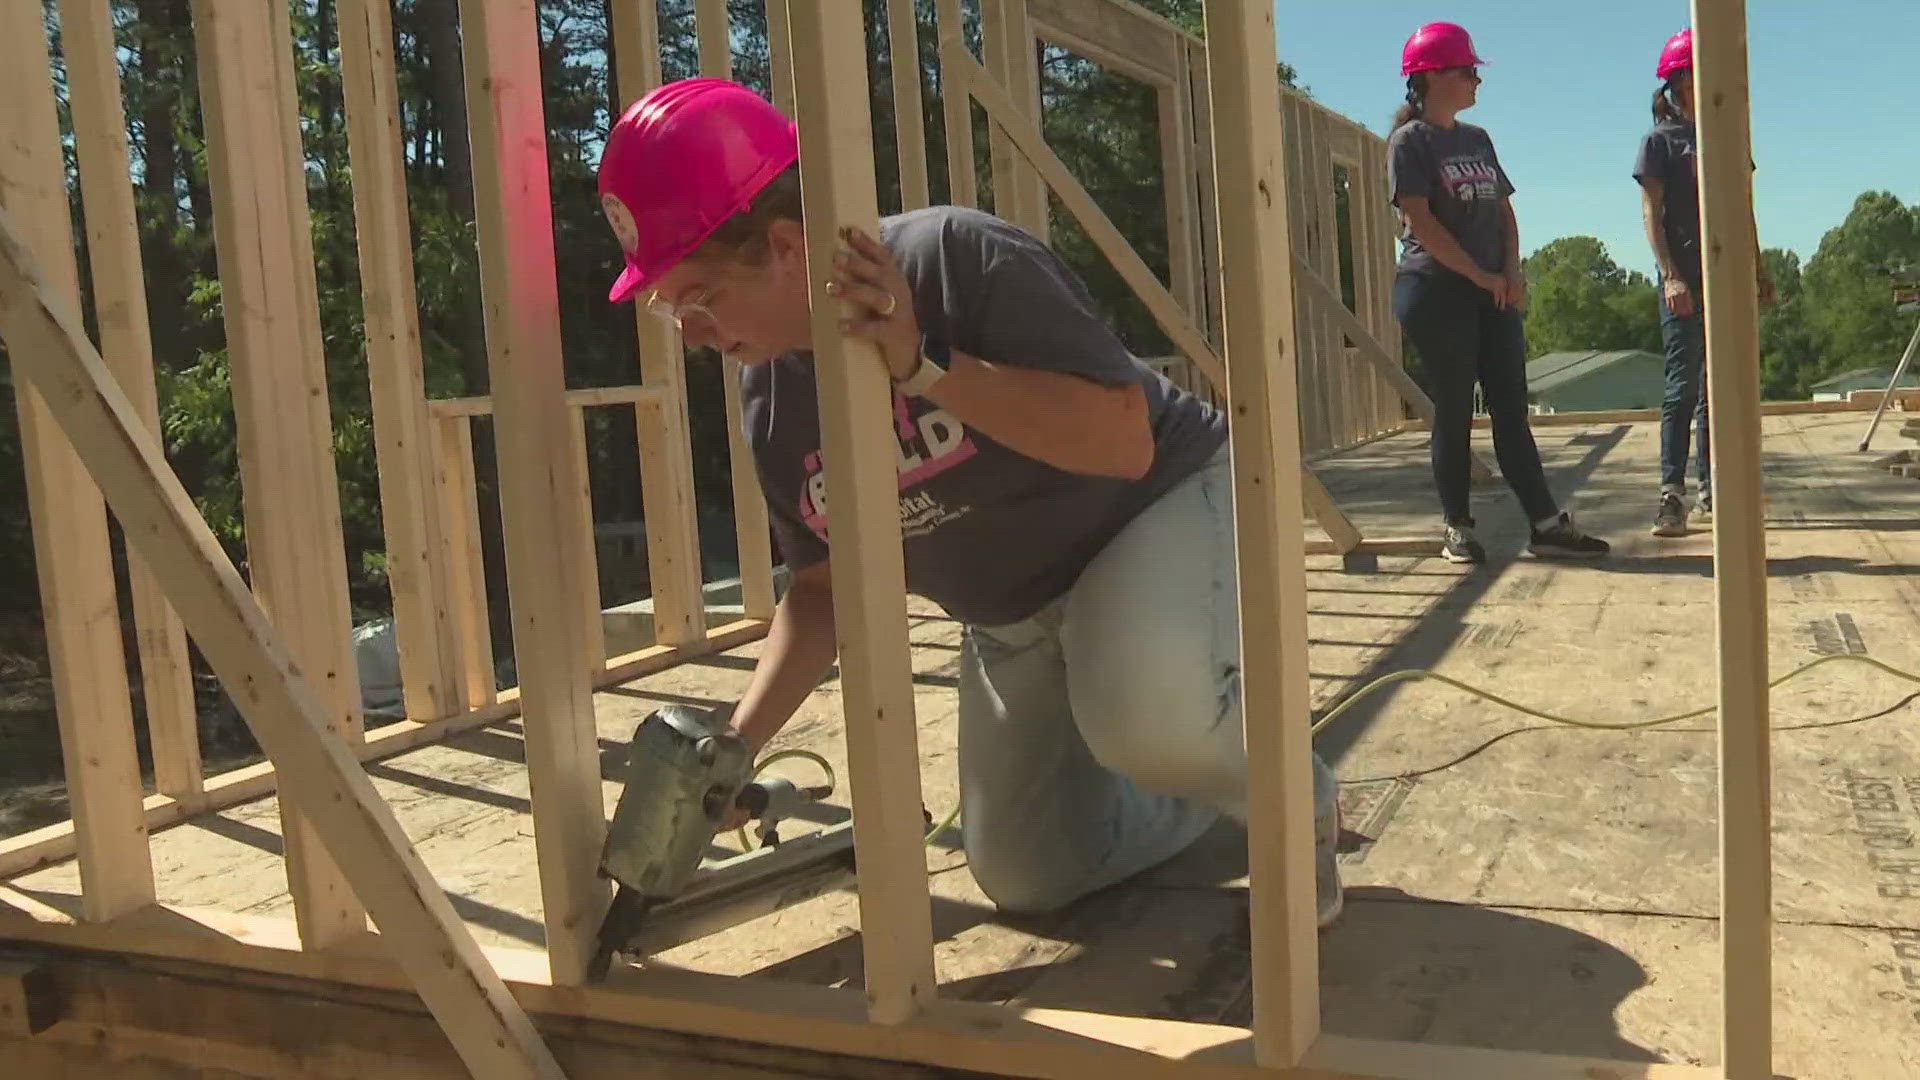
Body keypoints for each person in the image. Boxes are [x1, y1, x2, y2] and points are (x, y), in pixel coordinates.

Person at [594, 77, 1344, 925]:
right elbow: (821, 588)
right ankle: (1200, 787)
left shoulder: (952, 259)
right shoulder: (770, 402)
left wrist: (925, 366)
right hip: (1013, 614)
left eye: (698, 297)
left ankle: (1291, 800)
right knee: (1028, 870)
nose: (690, 331)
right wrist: (731, 750)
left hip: (1152, 511)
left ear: (780, 245)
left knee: (1145, 718)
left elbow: (1125, 442)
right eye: (667, 308)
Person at [1386, 22, 1610, 565]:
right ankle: (1457, 528)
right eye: (1467, 71)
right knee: (1456, 409)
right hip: (1436, 291)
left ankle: (1545, 524)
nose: (1476, 81)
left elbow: (1503, 210)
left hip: (1493, 290)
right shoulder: (1409, 142)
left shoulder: (1477, 139)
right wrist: (1480, 277)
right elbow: (1423, 224)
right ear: (1434, 76)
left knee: (1512, 408)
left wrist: (1511, 271)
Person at [1635, 27, 1774, 537]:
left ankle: (1716, 486)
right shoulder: (1660, 142)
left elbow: (1744, 207)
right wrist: (1671, 274)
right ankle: (1672, 494)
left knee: (1720, 388)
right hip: (1686, 279)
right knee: (1682, 384)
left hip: (1729, 277)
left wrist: (1758, 267)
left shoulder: (1729, 134)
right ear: (1680, 81)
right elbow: (1652, 210)